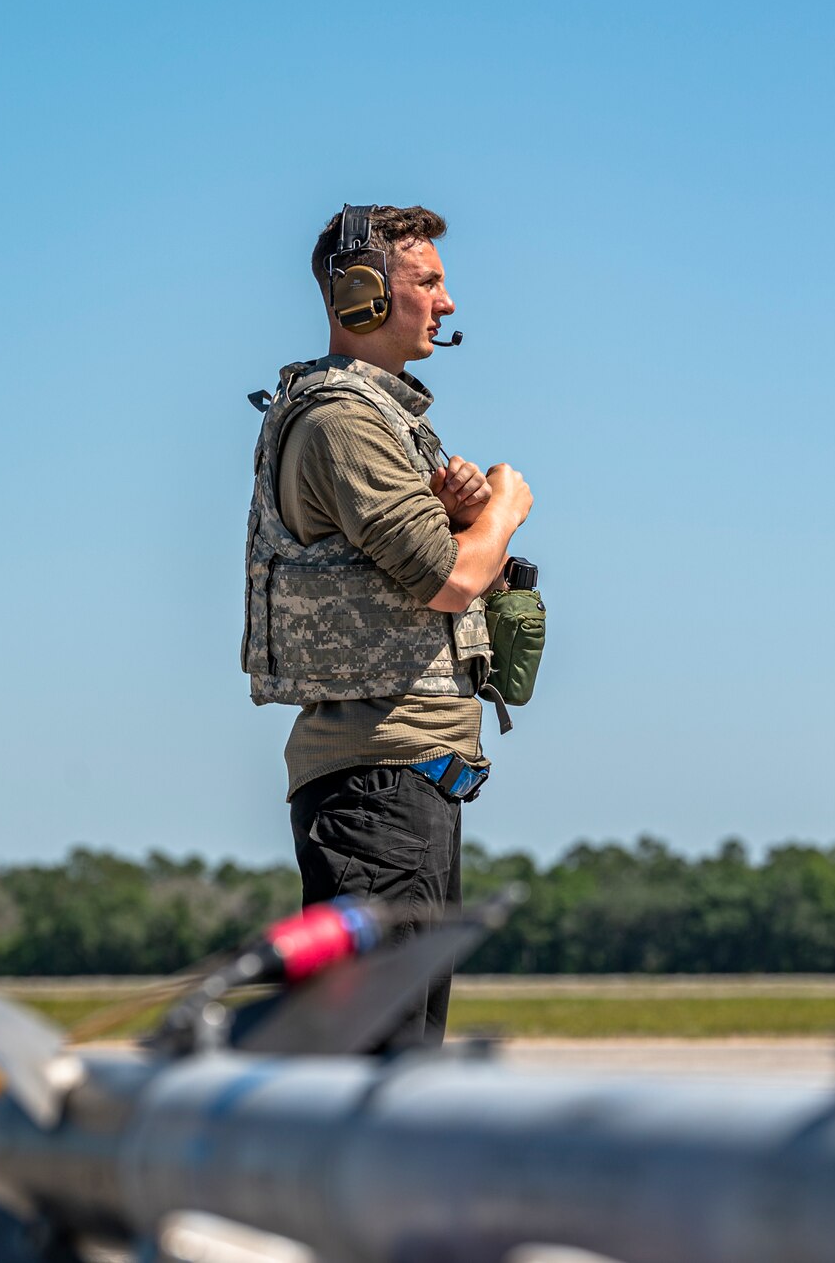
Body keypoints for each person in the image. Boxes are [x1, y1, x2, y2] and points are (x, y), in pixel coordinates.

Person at [241, 203, 533, 1045]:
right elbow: (450, 579)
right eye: (428, 283)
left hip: (407, 782)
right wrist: (504, 512)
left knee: (402, 1060)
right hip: (379, 788)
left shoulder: (383, 419)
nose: (446, 304)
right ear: (362, 295)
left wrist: (447, 512)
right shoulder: (344, 420)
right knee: (382, 1064)